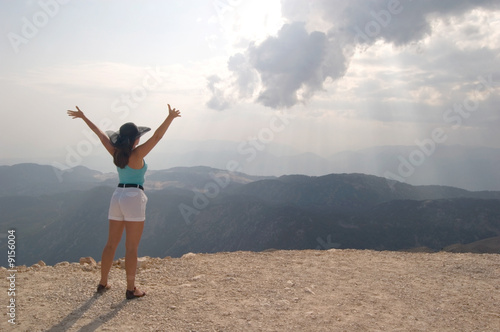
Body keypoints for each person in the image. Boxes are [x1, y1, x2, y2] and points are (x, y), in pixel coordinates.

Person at [67, 104, 181, 299]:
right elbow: (157, 137)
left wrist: (84, 116)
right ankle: (130, 288)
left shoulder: (116, 153)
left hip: (117, 196)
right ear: (135, 139)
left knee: (111, 244)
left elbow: (100, 134)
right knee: (131, 247)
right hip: (134, 198)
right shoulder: (137, 154)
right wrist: (169, 118)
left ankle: (103, 283)